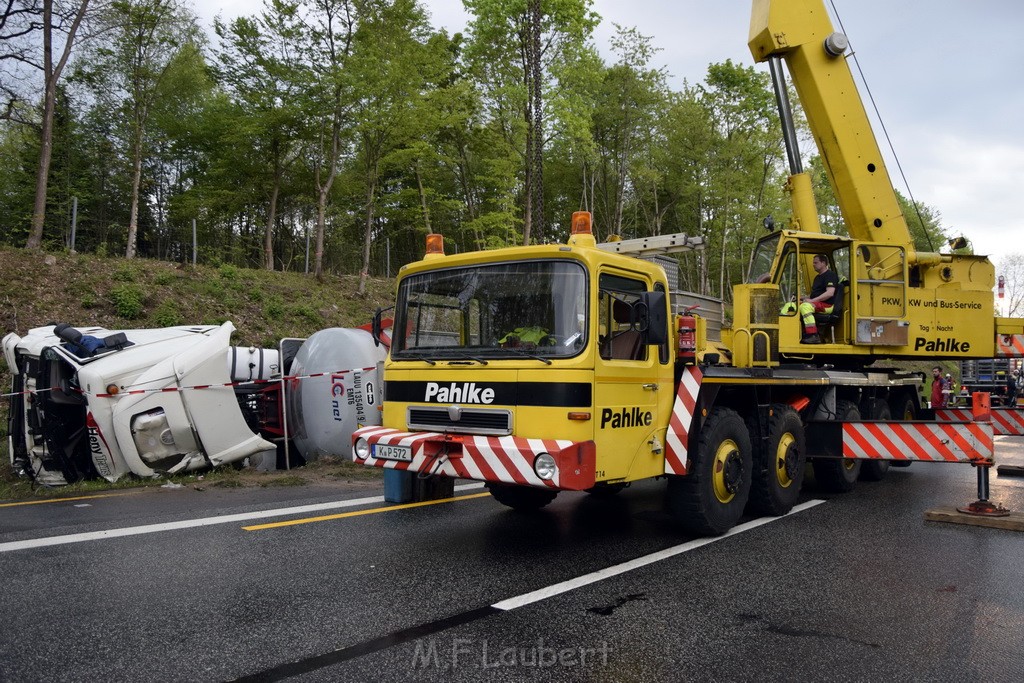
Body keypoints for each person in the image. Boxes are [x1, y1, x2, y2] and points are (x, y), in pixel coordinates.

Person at [798, 254, 837, 344]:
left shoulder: (830, 275)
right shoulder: (817, 278)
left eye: (816, 262)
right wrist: (801, 297)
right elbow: (813, 295)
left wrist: (812, 301)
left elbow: (830, 293)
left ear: (823, 263)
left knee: (805, 307)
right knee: (793, 306)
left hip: (827, 305)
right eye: (813, 263)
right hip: (818, 303)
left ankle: (813, 335)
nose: (813, 265)